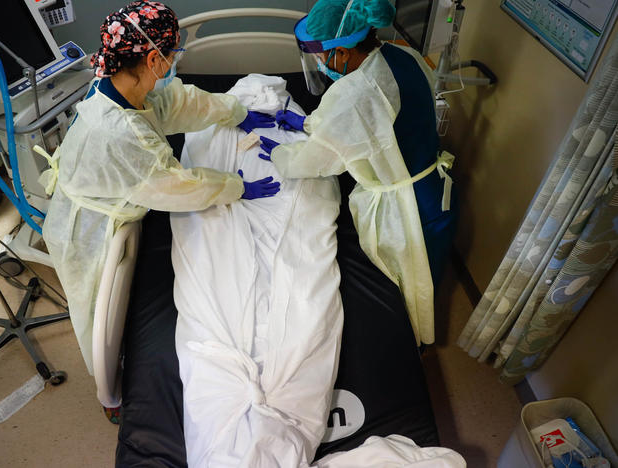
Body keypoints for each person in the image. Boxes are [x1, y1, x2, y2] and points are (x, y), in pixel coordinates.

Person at [40, 1, 279, 374]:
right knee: (97, 313)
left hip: (107, 193)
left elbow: (174, 104)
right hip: (88, 232)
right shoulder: (119, 133)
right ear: (152, 59)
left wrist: (235, 111)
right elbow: (174, 186)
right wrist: (235, 187)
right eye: (173, 53)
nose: (173, 62)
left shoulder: (119, 84)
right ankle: (107, 388)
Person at [259, 0, 459, 346]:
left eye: (322, 54)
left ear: (344, 49)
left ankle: (408, 347)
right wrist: (308, 123)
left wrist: (279, 153)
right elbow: (377, 122)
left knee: (407, 290)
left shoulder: (355, 93)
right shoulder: (404, 56)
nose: (321, 62)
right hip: (434, 191)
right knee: (427, 275)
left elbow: (319, 160)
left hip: (407, 210)